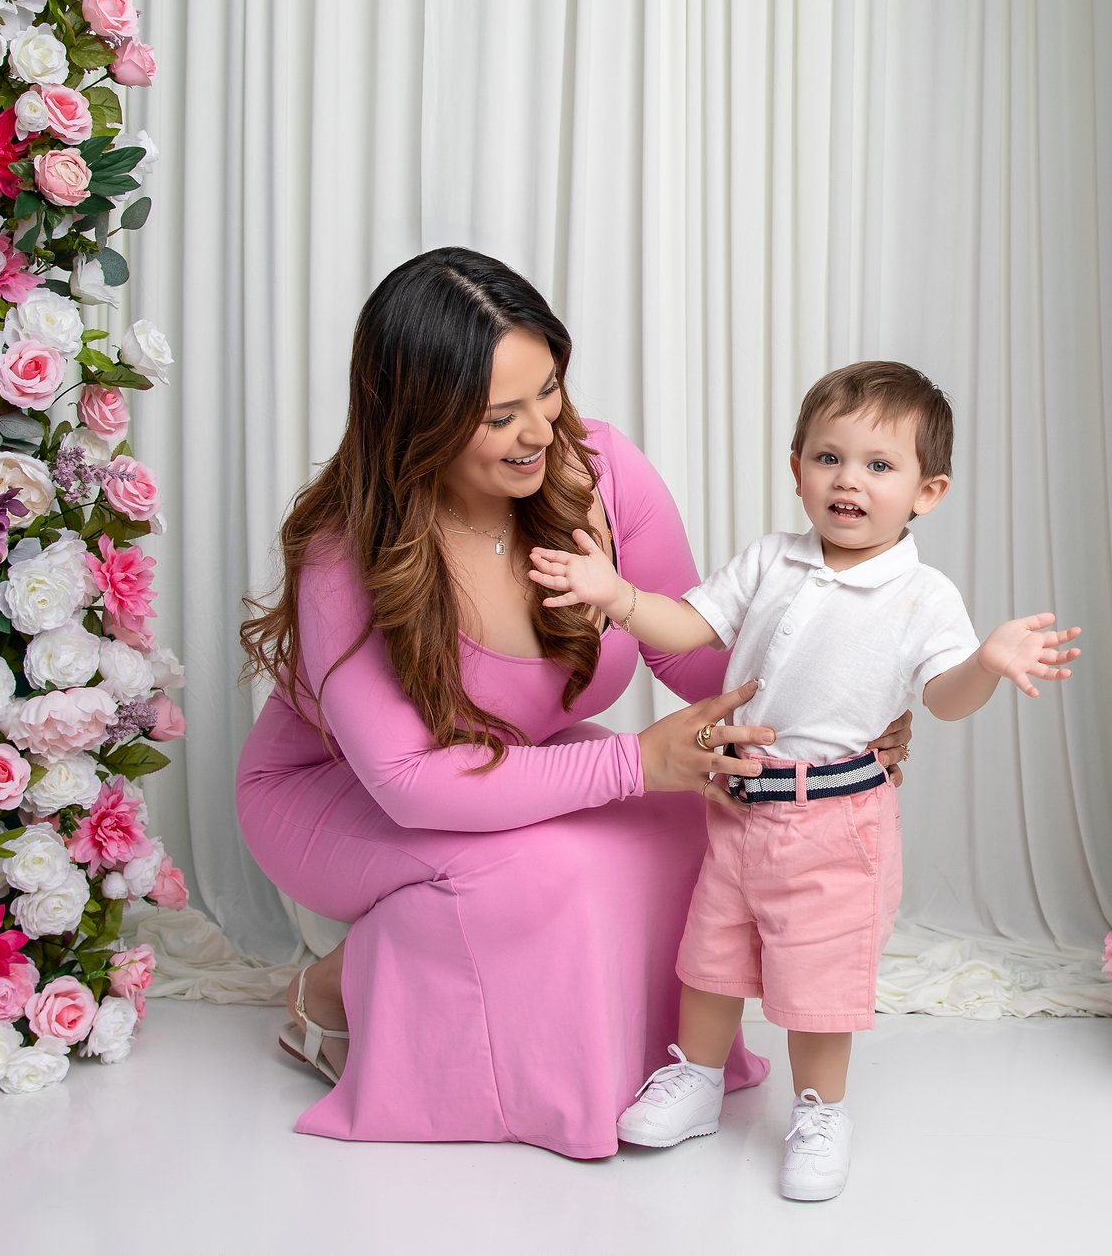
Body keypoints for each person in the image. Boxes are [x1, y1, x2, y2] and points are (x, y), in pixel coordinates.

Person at [233, 249, 917, 1159]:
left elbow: (694, 649)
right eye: (497, 416)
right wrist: (635, 761)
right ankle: (336, 996)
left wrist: (833, 708)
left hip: (507, 761)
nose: (537, 432)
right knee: (537, 871)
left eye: (547, 390)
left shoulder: (601, 468)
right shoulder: (343, 549)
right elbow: (406, 780)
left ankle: (648, 1075)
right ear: (418, 417)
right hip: (336, 790)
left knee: (697, 814)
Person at [529, 361, 1082, 1198]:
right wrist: (617, 594)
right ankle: (698, 1077)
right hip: (739, 807)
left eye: (878, 465)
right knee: (710, 957)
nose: (848, 480)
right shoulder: (771, 560)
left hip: (836, 824)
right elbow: (688, 624)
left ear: (928, 491)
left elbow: (942, 698)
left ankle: (822, 1110)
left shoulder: (923, 595)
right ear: (797, 470)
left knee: (818, 981)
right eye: (829, 458)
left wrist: (988, 664)